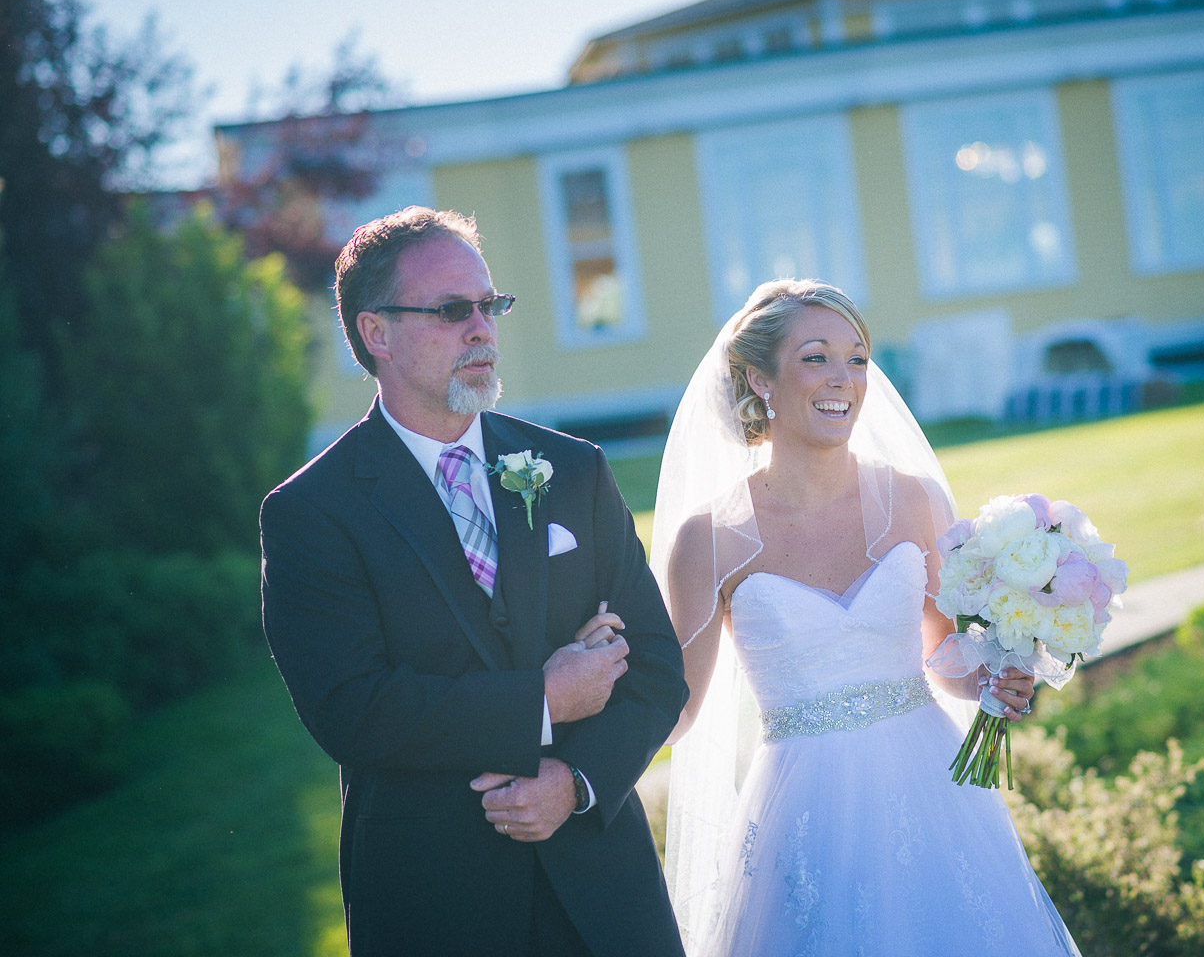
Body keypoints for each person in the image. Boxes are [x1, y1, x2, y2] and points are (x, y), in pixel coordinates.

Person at [259, 206, 688, 957]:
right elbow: (353, 710)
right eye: (453, 310)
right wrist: (544, 700)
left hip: (603, 894)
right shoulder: (311, 513)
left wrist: (575, 782)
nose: (482, 328)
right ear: (375, 334)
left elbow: (653, 665)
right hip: (434, 900)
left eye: (490, 305)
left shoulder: (574, 470)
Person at [653, 279, 1081, 956]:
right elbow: (675, 708)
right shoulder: (709, 539)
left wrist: (995, 680)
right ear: (760, 378)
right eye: (816, 356)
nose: (844, 379)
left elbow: (945, 656)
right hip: (804, 813)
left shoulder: (913, 500)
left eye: (857, 358)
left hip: (935, 791)